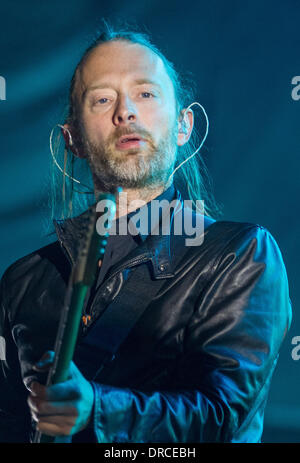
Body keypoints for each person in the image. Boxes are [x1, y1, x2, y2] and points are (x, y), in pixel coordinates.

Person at [0, 25, 292, 443]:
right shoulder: (24, 281)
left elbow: (220, 416)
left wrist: (97, 409)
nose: (126, 112)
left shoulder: (239, 255)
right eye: (102, 99)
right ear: (73, 139)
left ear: (183, 125)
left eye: (146, 93)